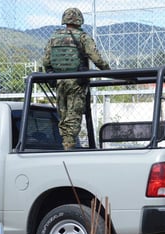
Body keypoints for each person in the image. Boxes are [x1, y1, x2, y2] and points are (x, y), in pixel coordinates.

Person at [43, 7, 110, 150]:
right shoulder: (83, 37)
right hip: (77, 83)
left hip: (59, 81)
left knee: (63, 116)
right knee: (73, 116)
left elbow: (46, 62)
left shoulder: (54, 38)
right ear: (79, 20)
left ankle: (65, 144)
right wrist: (108, 71)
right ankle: (69, 148)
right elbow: (96, 58)